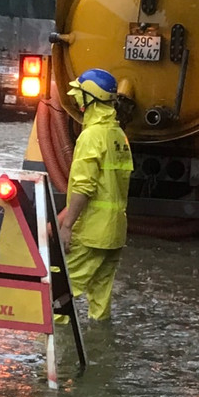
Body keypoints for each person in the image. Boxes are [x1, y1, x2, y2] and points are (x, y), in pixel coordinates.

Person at [58, 68, 133, 322]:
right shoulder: (118, 136)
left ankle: (55, 345)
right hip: (114, 233)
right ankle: (99, 342)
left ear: (90, 98)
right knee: (100, 305)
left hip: (91, 233)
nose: (76, 100)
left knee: (58, 295)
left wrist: (67, 226)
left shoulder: (92, 136)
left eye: (80, 95)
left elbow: (83, 187)